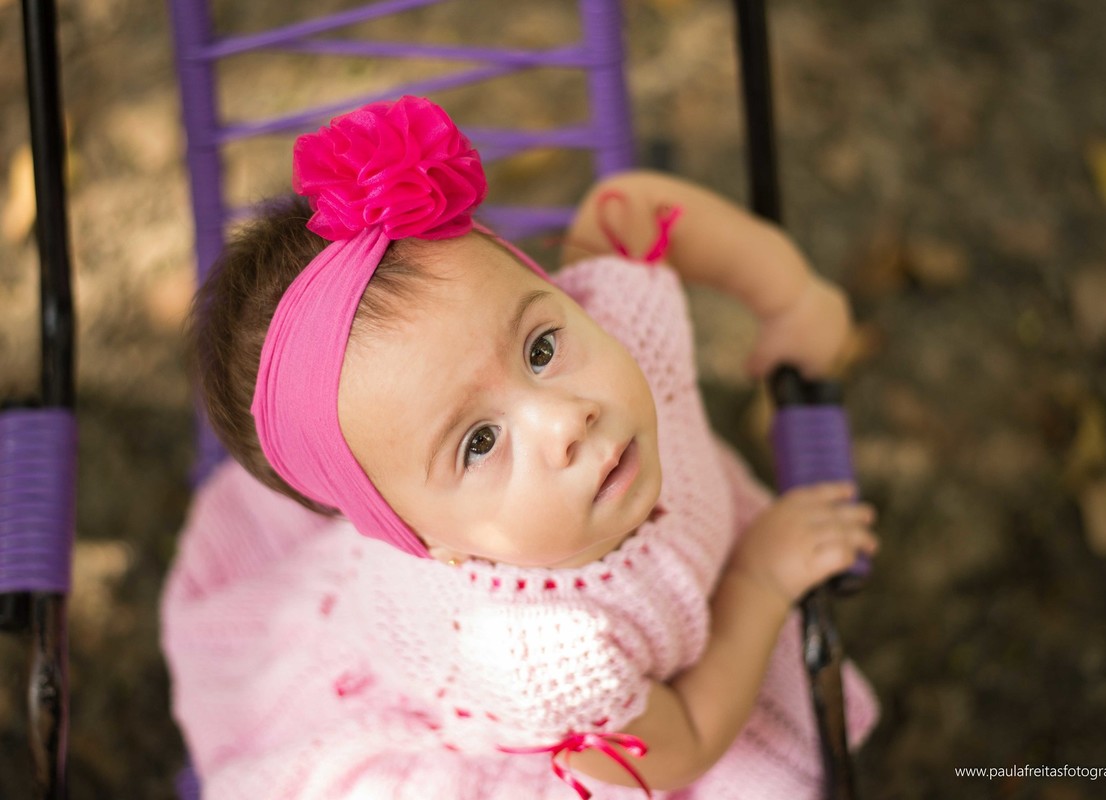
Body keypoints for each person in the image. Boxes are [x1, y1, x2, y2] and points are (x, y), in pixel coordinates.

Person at [161, 95, 879, 799]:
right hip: (538, 730)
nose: (564, 420)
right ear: (422, 538)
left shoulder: (622, 319)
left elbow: (632, 204)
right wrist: (757, 581)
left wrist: (791, 297)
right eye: (479, 443)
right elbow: (681, 741)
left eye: (540, 347)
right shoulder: (539, 654)